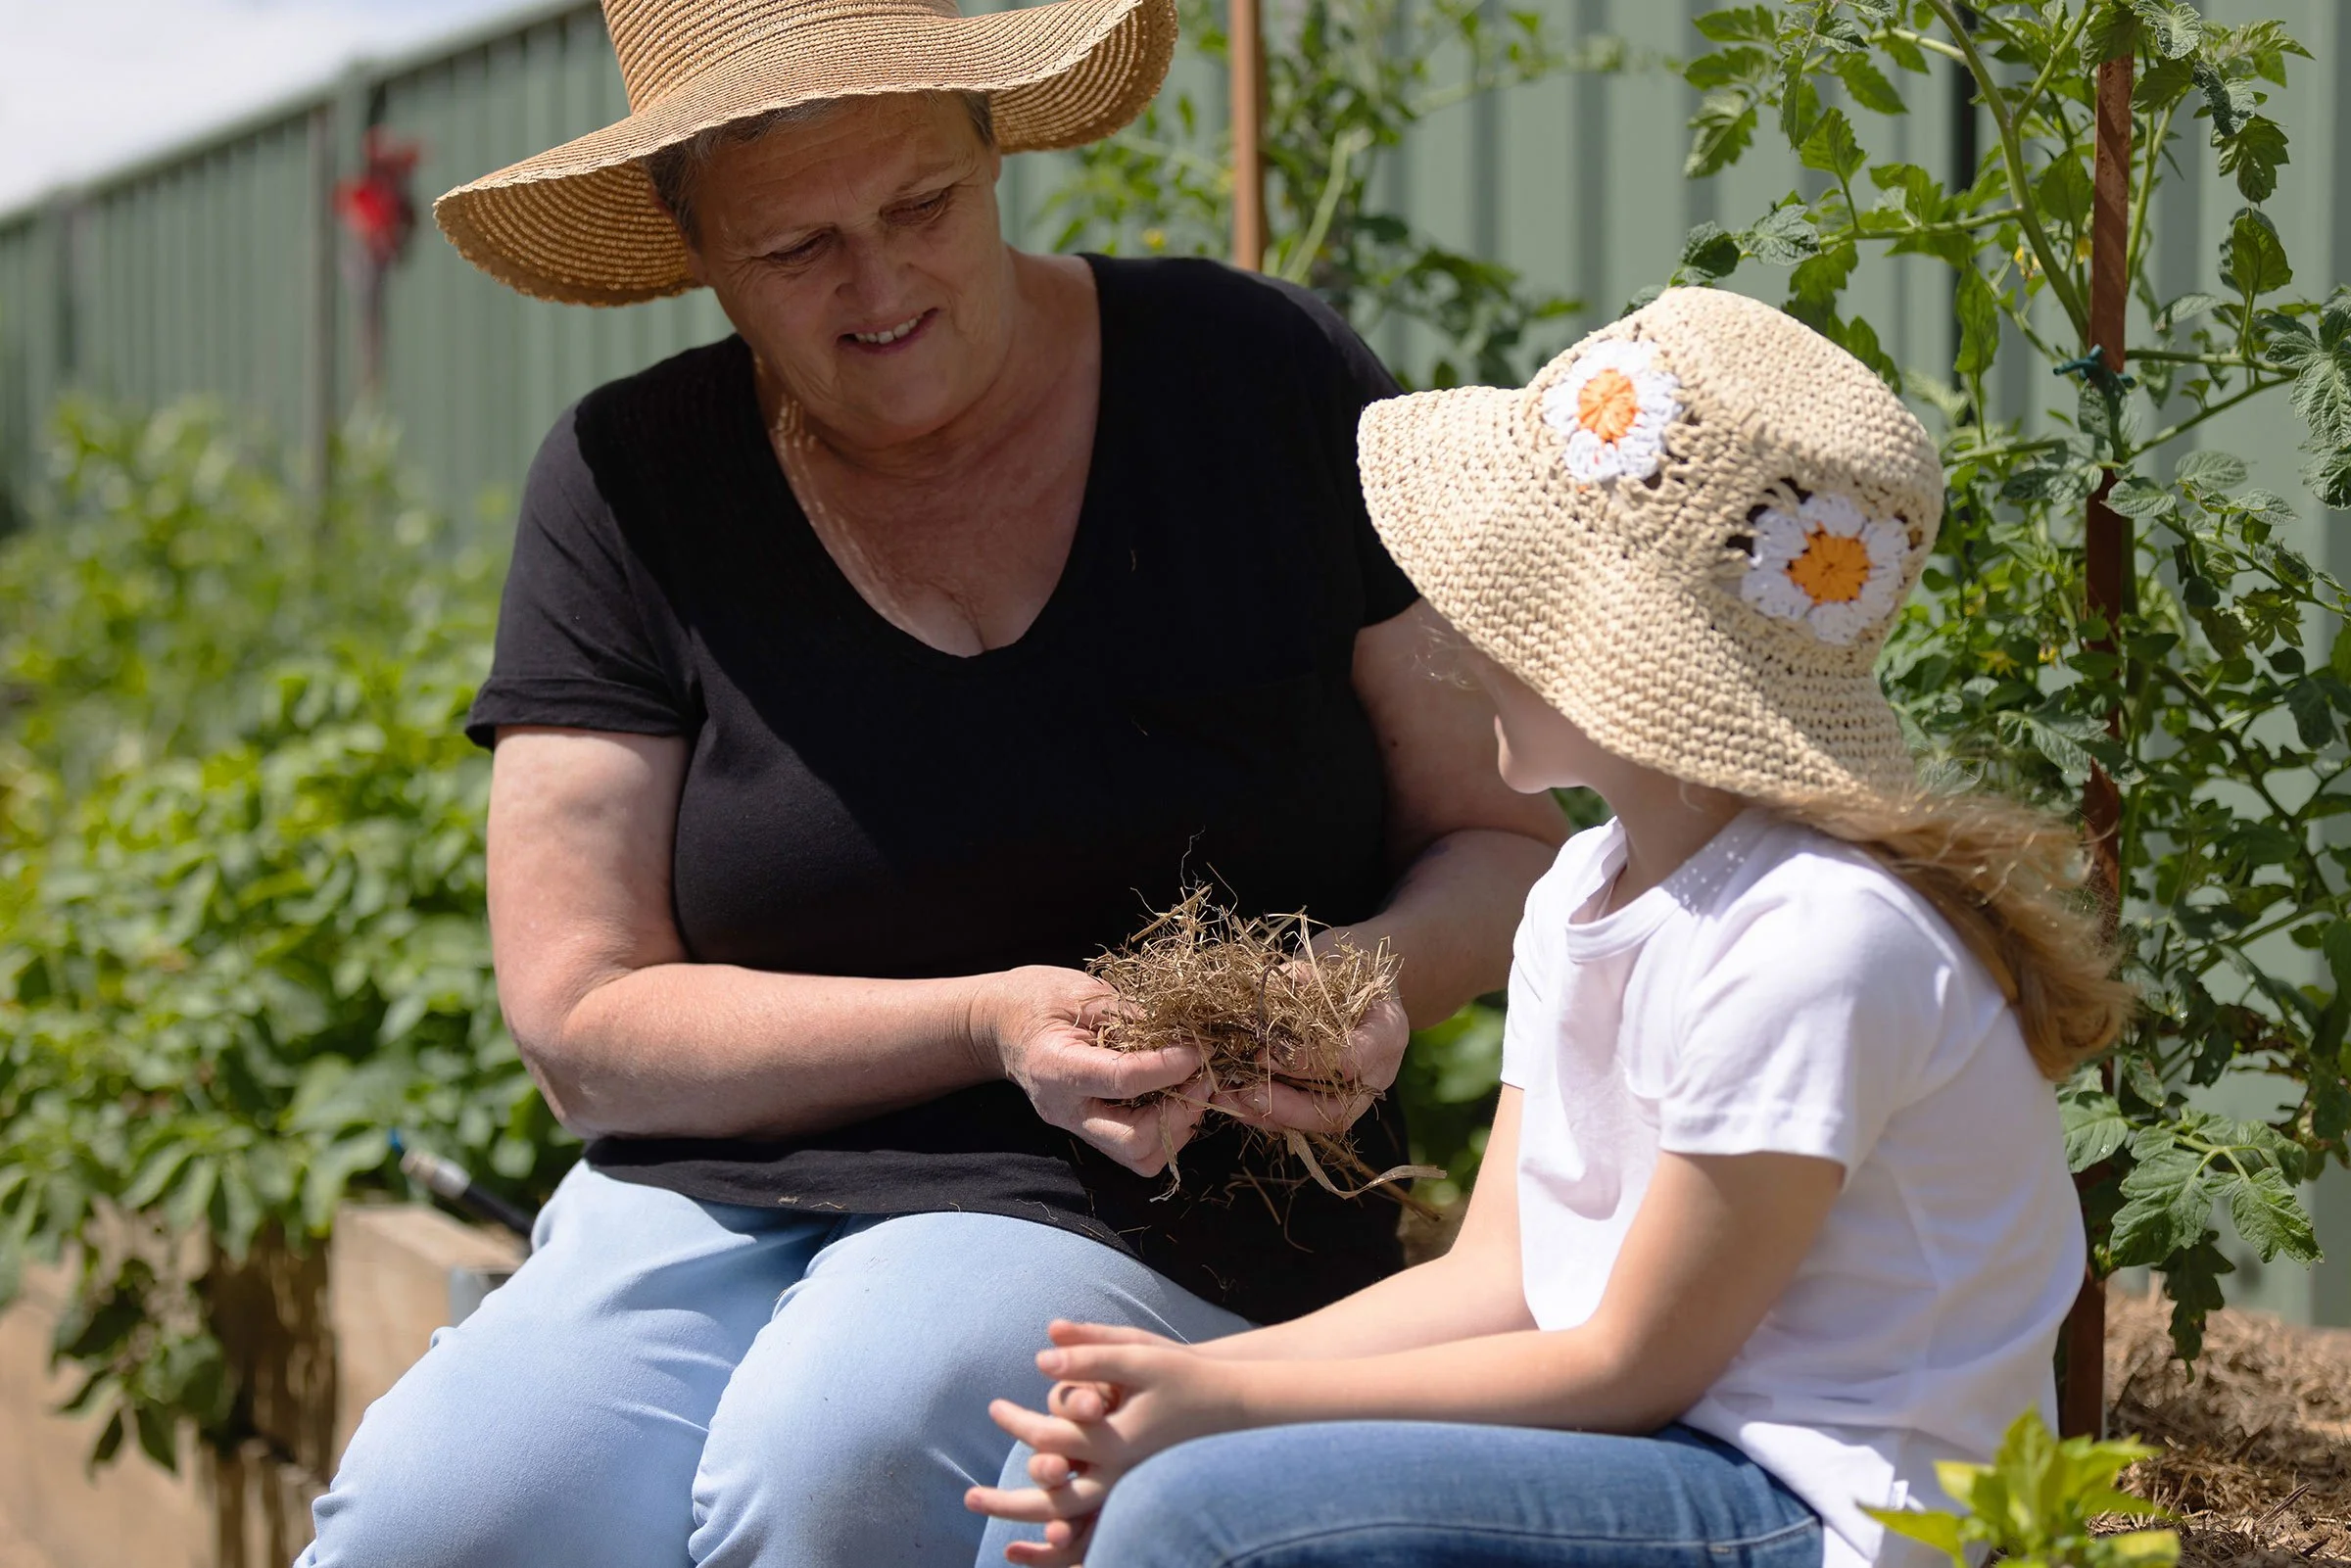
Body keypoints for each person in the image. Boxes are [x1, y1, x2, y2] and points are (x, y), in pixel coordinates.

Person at [294, 0, 1566, 1564]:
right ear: (695, 244)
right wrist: (980, 1019)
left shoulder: (1254, 379)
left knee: (851, 1439)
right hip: (718, 1198)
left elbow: (1501, 840)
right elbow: (583, 1019)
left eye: (920, 206)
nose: (881, 285)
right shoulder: (630, 479)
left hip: (1165, 1193)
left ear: (994, 149)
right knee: (443, 1517)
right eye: (795, 248)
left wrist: (1360, 977)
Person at [968, 286, 2135, 1568]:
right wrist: (1180, 1380)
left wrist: (1225, 1405)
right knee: (1111, 1480)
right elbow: (1506, 1282)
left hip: (1833, 1510)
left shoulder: (1816, 939)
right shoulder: (1586, 886)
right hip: (1664, 1451)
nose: (1465, 641)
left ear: (1625, 660)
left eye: (1510, 601)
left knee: (1194, 1518)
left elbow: (1631, 1364)